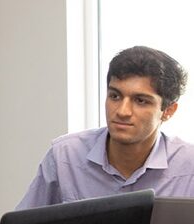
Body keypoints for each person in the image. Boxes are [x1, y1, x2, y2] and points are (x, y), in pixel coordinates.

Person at [17, 45, 194, 209]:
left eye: (140, 101)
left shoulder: (189, 166)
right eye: (115, 96)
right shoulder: (65, 156)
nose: (122, 111)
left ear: (168, 111)